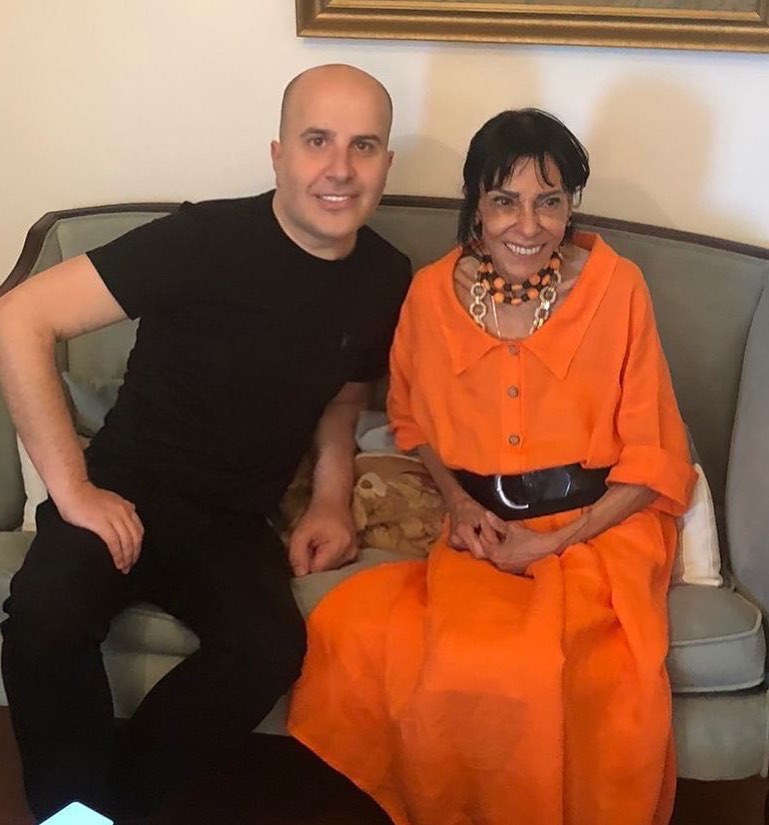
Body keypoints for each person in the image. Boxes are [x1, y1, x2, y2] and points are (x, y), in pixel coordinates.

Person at [0, 64, 410, 821]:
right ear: (278, 154)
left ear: (386, 163)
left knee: (268, 648)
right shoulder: (202, 238)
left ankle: (105, 812)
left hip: (233, 520)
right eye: (317, 141)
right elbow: (16, 318)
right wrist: (74, 491)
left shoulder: (384, 275)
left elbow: (345, 398)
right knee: (46, 614)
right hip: (124, 486)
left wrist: (331, 499)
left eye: (363, 146)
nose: (340, 168)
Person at [288, 109, 696, 825]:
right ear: (475, 202)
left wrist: (553, 542)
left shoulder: (618, 287)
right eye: (505, 200)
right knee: (434, 655)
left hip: (599, 531)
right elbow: (413, 422)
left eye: (549, 201)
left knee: (552, 666)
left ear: (570, 204)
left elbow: (652, 457)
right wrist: (460, 505)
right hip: (480, 532)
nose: (527, 226)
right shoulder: (430, 293)